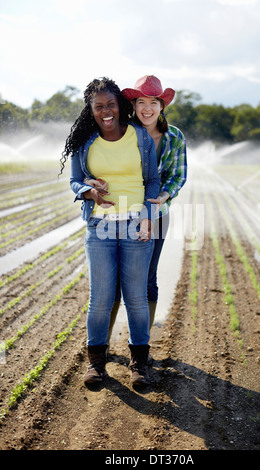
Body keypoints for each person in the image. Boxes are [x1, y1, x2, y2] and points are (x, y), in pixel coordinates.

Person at [59, 77, 160, 387]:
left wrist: (149, 215)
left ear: (120, 107)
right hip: (99, 227)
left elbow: (153, 180)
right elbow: (75, 182)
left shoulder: (140, 137)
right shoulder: (85, 142)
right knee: (101, 299)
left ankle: (139, 365)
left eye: (111, 105)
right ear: (91, 110)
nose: (106, 111)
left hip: (135, 225)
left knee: (136, 299)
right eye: (98, 106)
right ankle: (96, 365)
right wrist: (90, 192)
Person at [85, 75, 187, 351]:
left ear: (161, 106)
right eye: (140, 102)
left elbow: (177, 175)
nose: (147, 108)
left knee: (147, 279)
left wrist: (160, 198)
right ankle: (102, 343)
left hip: (157, 213)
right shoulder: (124, 132)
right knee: (112, 284)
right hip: (123, 213)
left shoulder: (174, 137)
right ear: (133, 104)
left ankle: (141, 345)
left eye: (153, 102)